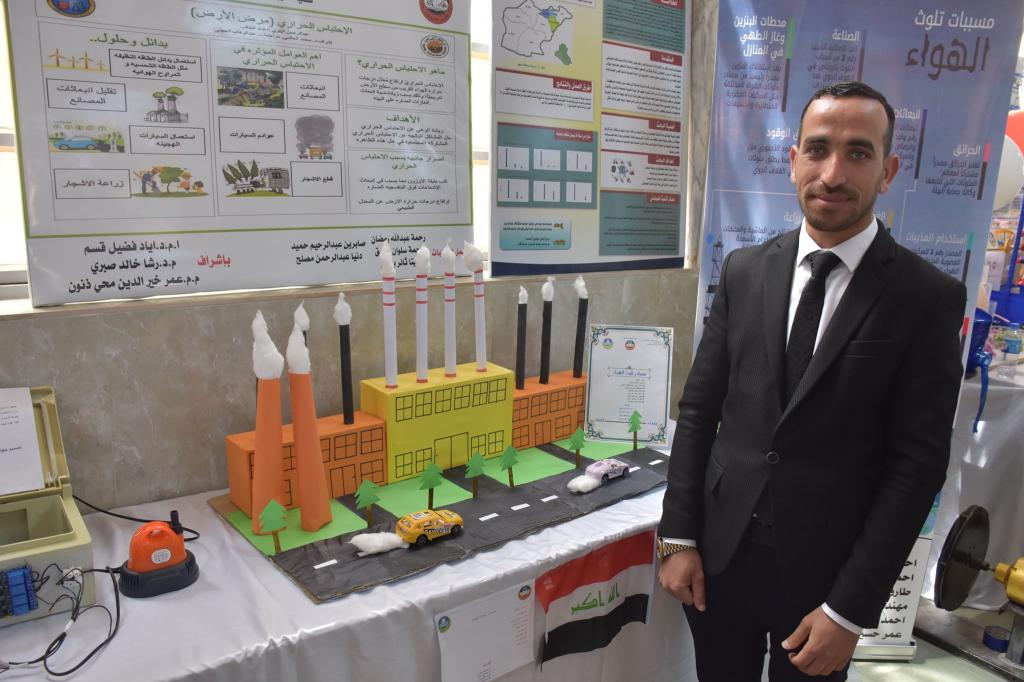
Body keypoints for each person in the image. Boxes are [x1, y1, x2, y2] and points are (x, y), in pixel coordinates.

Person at [657, 81, 966, 681]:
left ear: (887, 171)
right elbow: (698, 411)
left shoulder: (925, 297)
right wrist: (678, 537)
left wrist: (849, 611)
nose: (832, 173)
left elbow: (918, 465)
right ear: (794, 159)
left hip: (825, 579)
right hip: (718, 561)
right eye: (818, 149)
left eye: (858, 152)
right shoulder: (745, 270)